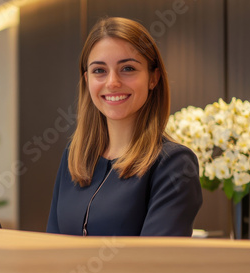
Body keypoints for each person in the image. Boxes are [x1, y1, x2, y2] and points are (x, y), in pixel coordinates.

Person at [46, 17, 203, 236]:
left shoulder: (173, 164)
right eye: (99, 71)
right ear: (87, 80)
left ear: (153, 78)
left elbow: (153, 264)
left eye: (128, 68)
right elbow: (51, 246)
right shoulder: (74, 158)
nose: (112, 82)